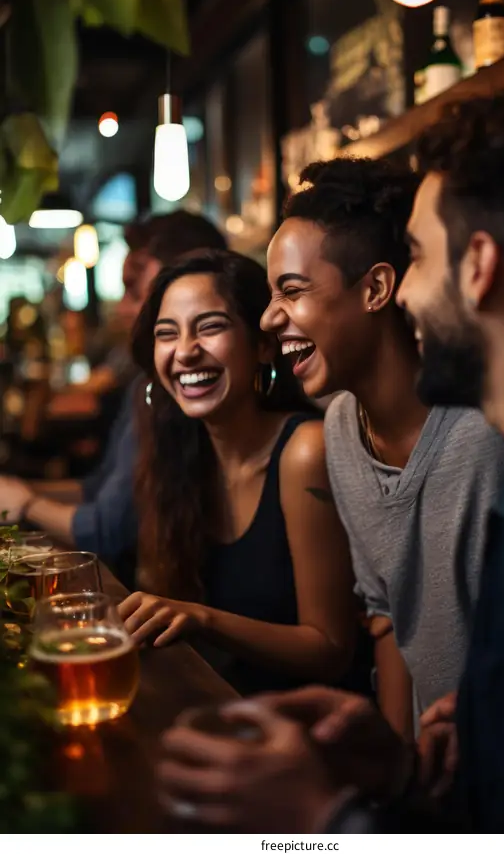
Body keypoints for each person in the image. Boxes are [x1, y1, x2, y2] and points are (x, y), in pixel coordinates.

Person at [156, 75, 504, 831]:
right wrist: (398, 771)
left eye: (419, 257)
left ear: (479, 265)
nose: (407, 294)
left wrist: (323, 820)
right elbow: (390, 623)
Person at [260, 157, 504, 736]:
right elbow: (387, 618)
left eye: (291, 291)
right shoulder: (341, 429)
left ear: (376, 287)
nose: (270, 318)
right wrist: (403, 784)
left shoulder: (489, 430)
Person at [118, 249, 358, 695]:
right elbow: (154, 595)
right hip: (223, 709)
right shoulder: (175, 454)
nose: (186, 352)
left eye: (210, 327)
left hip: (313, 731)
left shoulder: (305, 450)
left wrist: (202, 618)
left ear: (263, 344)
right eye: (166, 334)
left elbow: (330, 649)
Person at [0, 211, 227, 582]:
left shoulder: (177, 393)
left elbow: (108, 529)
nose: (123, 308)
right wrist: (20, 492)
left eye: (135, 290)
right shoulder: (146, 385)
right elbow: (102, 487)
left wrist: (26, 501)